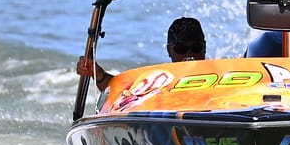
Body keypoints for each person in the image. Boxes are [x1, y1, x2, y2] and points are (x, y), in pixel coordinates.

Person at [76, 16, 208, 92]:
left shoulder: (220, 72)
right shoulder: (159, 80)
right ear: (169, 50)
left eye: (196, 48)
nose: (189, 54)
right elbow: (120, 88)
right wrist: (98, 73)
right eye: (181, 49)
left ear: (204, 47)